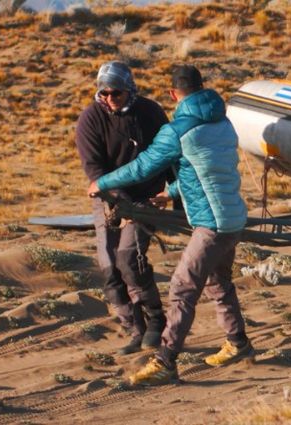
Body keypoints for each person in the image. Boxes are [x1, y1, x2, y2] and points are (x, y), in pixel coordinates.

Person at [88, 64, 252, 385]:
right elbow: (208, 168)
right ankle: (238, 343)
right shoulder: (222, 122)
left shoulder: (177, 130)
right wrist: (171, 192)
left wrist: (101, 182)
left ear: (173, 94)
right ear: (202, 88)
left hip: (212, 224)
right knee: (219, 283)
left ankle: (165, 360)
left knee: (182, 287)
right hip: (233, 218)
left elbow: (143, 167)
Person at [75, 61, 169, 355]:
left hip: (147, 198)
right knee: (109, 267)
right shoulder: (90, 119)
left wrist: (173, 194)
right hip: (108, 197)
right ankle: (134, 330)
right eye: (104, 93)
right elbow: (94, 168)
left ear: (130, 90)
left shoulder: (150, 112)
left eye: (115, 93)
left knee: (129, 258)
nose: (109, 98)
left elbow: (170, 155)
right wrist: (116, 198)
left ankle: (156, 322)